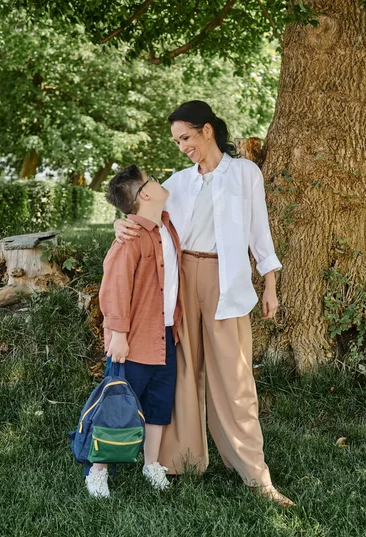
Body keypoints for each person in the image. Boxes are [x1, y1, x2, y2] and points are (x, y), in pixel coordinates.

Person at [114, 101, 295, 507]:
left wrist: (270, 285)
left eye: (186, 137)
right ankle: (180, 461)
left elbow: (259, 232)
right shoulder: (178, 182)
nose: (182, 147)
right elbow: (143, 212)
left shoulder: (245, 173)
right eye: (177, 140)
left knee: (235, 379)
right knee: (181, 370)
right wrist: (118, 222)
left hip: (224, 281)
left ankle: (254, 474)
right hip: (180, 282)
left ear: (207, 130)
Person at [85, 164, 182, 498]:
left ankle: (151, 463)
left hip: (166, 335)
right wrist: (119, 334)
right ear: (145, 194)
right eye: (153, 180)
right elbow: (114, 288)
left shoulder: (166, 226)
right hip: (134, 340)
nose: (159, 181)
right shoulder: (130, 239)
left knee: (158, 404)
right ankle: (98, 470)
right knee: (118, 404)